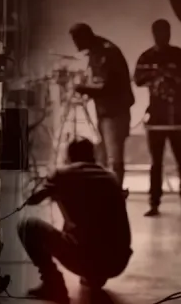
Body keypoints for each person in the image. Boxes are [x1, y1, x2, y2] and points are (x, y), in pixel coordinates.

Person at [19, 138, 132, 303]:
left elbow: (31, 199)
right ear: (92, 156)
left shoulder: (62, 174)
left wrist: (44, 180)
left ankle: (53, 284)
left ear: (69, 157)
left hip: (86, 258)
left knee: (27, 226)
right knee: (92, 223)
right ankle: (95, 276)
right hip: (118, 261)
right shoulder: (111, 176)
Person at [70, 23, 135, 186]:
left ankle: (115, 190)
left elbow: (108, 86)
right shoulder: (97, 51)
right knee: (105, 155)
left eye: (76, 40)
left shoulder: (106, 52)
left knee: (113, 156)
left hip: (114, 111)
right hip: (106, 111)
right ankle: (108, 189)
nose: (75, 44)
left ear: (84, 37)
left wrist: (82, 88)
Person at [134, 19, 181, 216]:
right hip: (156, 118)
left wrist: (171, 75)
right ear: (154, 34)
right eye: (160, 33)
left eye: (166, 32)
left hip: (178, 118)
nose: (163, 37)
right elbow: (137, 79)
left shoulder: (178, 54)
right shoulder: (147, 57)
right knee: (156, 162)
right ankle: (154, 202)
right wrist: (155, 74)